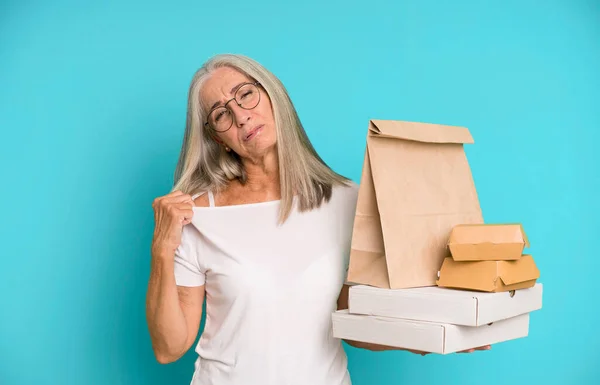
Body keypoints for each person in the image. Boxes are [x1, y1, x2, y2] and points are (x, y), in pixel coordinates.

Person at [145, 54, 489, 385]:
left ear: (272, 94)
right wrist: (162, 248)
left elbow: (352, 321)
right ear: (217, 138)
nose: (241, 116)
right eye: (221, 114)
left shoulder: (346, 201)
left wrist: (434, 336)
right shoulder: (199, 216)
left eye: (246, 94)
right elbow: (168, 348)